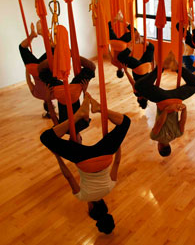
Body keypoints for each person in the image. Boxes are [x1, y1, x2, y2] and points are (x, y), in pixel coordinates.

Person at [40, 93, 130, 234]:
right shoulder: (83, 197)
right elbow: (69, 176)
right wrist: (57, 157)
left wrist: (115, 143)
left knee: (126, 123)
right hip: (85, 160)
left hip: (104, 156)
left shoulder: (109, 188)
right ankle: (77, 116)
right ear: (92, 208)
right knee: (46, 138)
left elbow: (117, 162)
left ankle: (99, 108)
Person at [134, 58, 195, 157]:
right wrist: (166, 110)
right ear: (160, 148)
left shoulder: (178, 134)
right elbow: (159, 123)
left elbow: (183, 120)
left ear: (169, 146)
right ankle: (160, 69)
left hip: (176, 98)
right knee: (139, 86)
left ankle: (178, 68)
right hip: (162, 99)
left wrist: (184, 108)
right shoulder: (155, 137)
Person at [18, 22, 54, 118]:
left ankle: (42, 34)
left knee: (53, 49)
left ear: (52, 104)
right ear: (43, 104)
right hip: (33, 68)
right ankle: (32, 35)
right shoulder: (37, 95)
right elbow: (29, 81)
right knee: (22, 48)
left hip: (45, 67)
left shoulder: (54, 95)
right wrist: (27, 69)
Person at [117, 41, 154, 109]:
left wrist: (153, 68)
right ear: (140, 100)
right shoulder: (138, 93)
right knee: (120, 57)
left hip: (146, 66)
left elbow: (152, 78)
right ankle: (131, 47)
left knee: (151, 47)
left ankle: (141, 40)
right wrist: (126, 71)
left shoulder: (149, 91)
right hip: (139, 69)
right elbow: (132, 83)